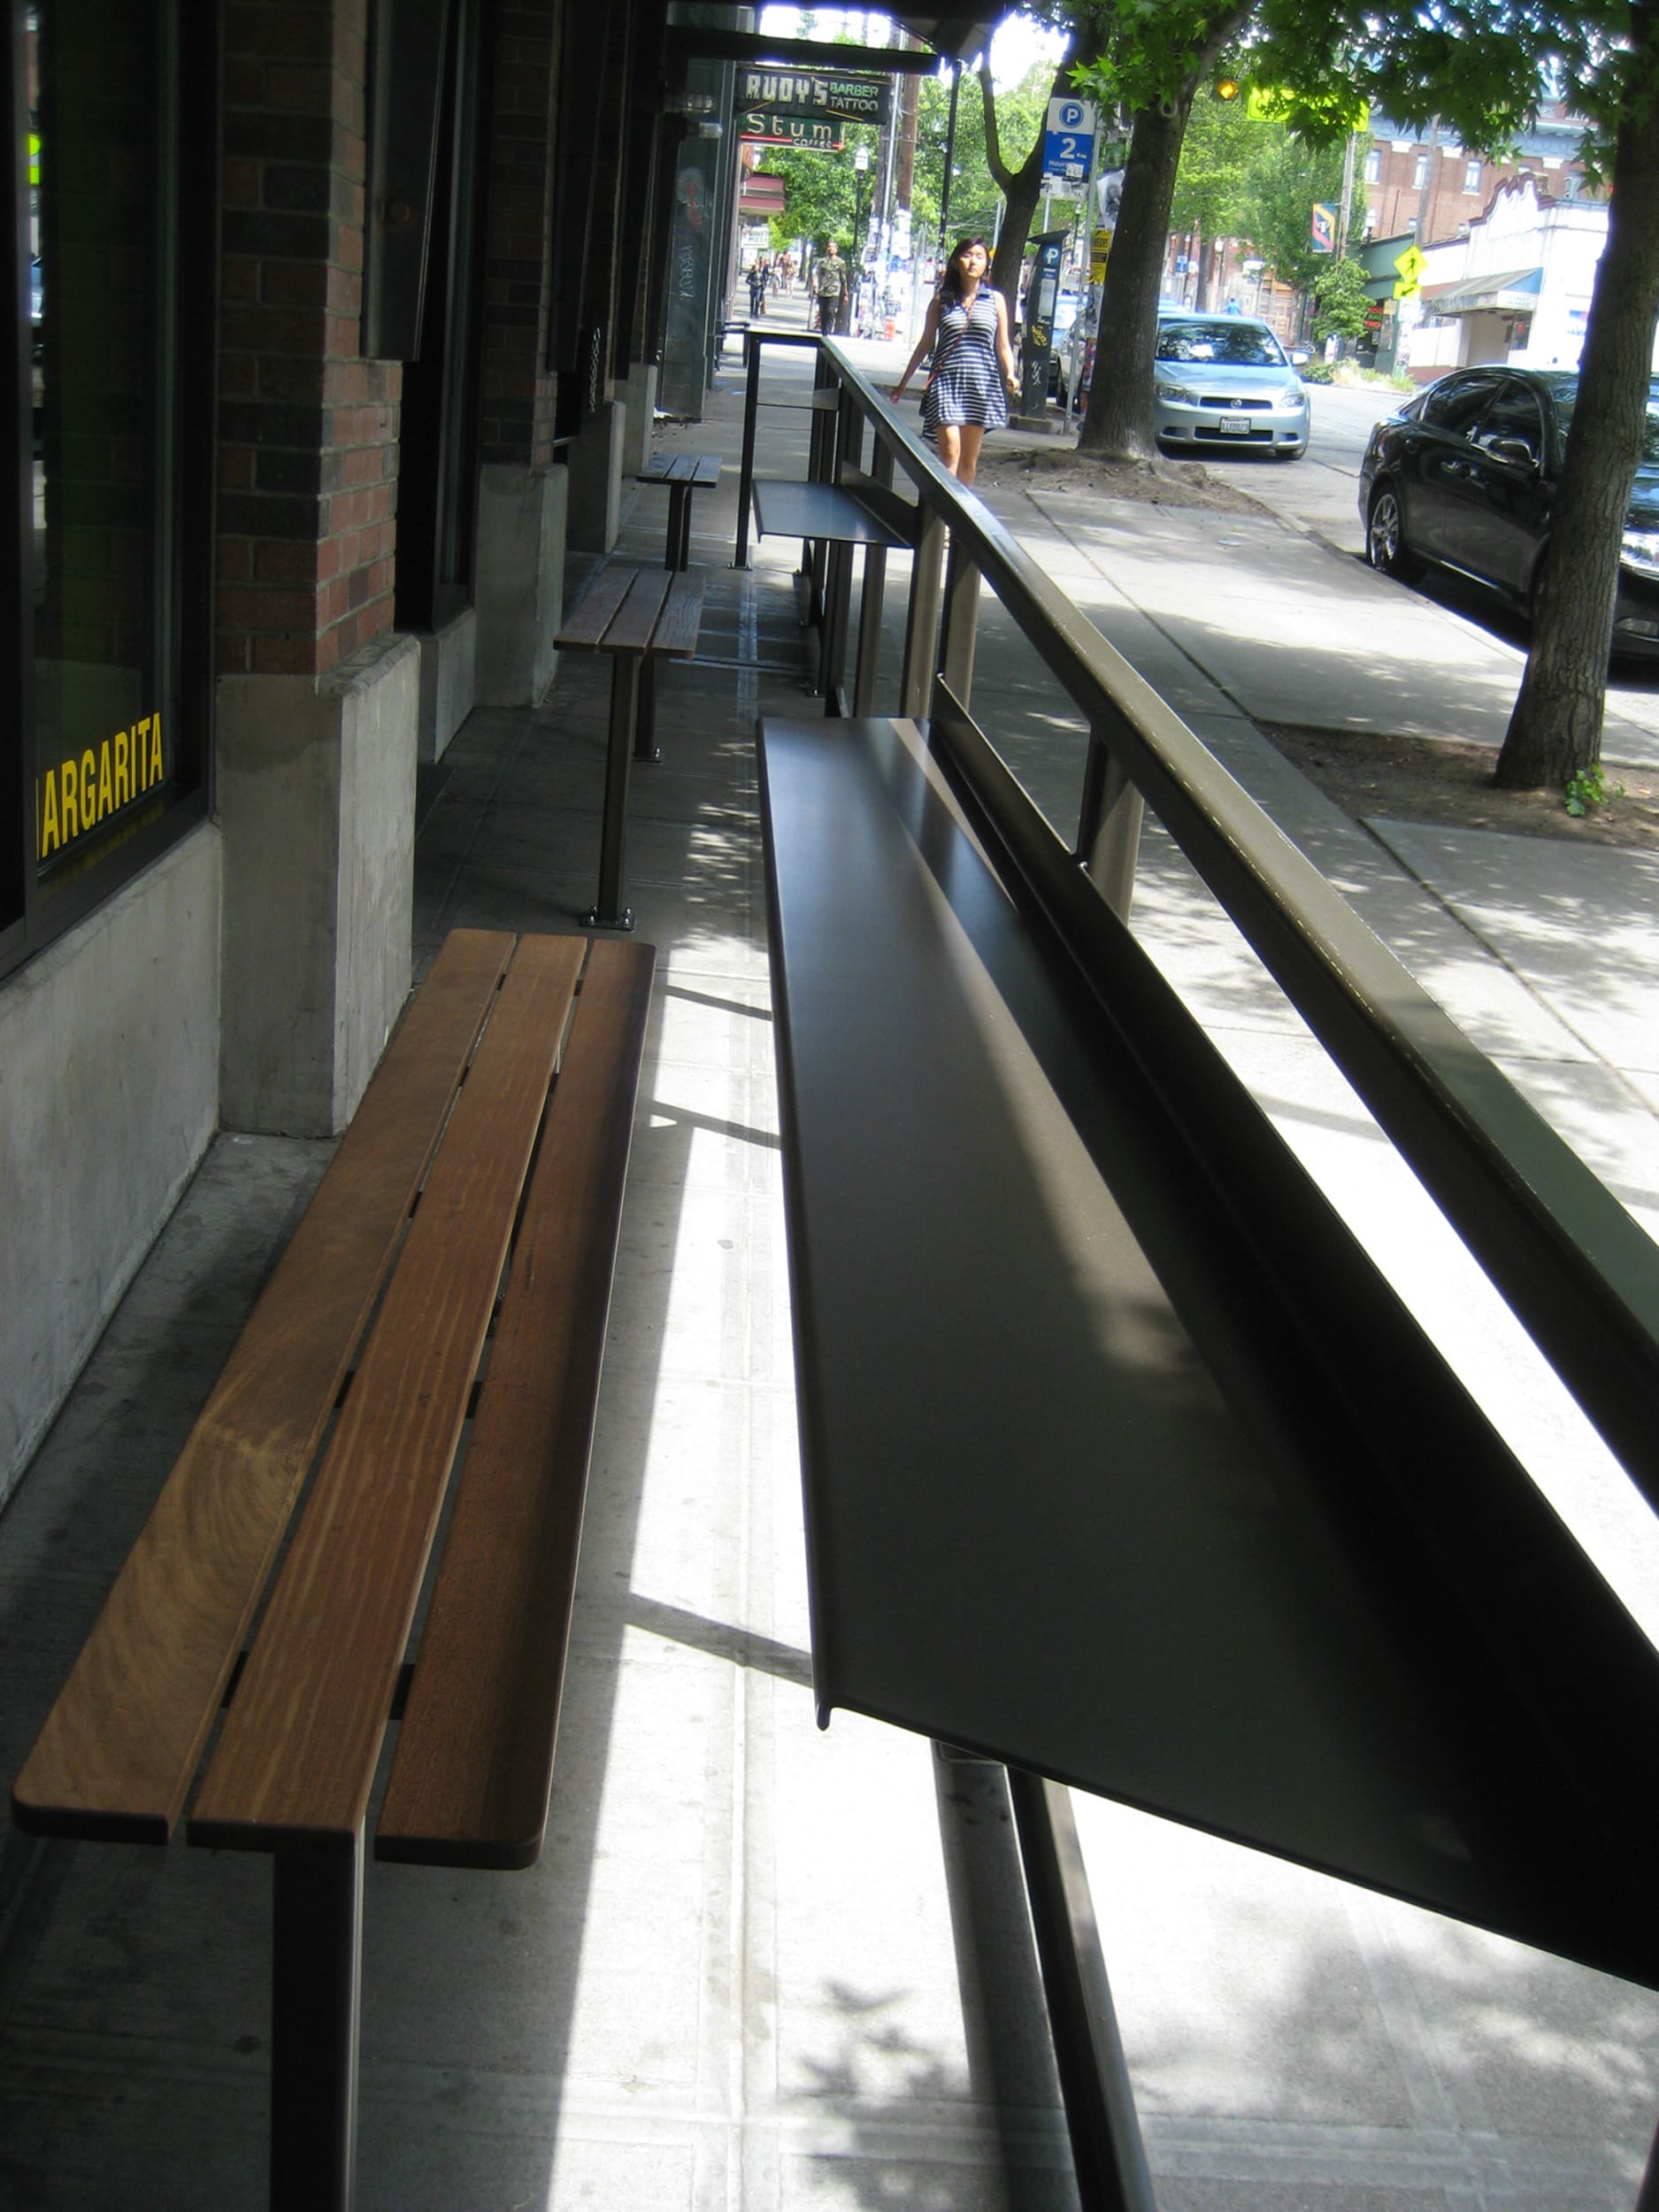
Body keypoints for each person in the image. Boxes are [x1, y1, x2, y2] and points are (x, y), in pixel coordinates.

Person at [888, 237, 1019, 487]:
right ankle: (942, 522)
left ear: (986, 265)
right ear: (956, 262)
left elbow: (1003, 344)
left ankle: (959, 520)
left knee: (969, 462)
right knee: (951, 454)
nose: (973, 261)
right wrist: (903, 383)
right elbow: (925, 343)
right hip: (946, 384)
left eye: (979, 256)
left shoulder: (995, 301)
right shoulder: (942, 300)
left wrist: (1011, 373)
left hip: (981, 385)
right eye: (968, 255)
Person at [809, 240, 844, 334]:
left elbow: (843, 279)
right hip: (823, 291)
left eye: (832, 247)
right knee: (823, 313)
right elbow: (816, 274)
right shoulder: (822, 262)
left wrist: (845, 293)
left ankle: (827, 333)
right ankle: (824, 331)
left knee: (830, 311)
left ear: (836, 249)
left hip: (834, 292)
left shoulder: (840, 263)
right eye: (829, 246)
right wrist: (815, 284)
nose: (830, 249)